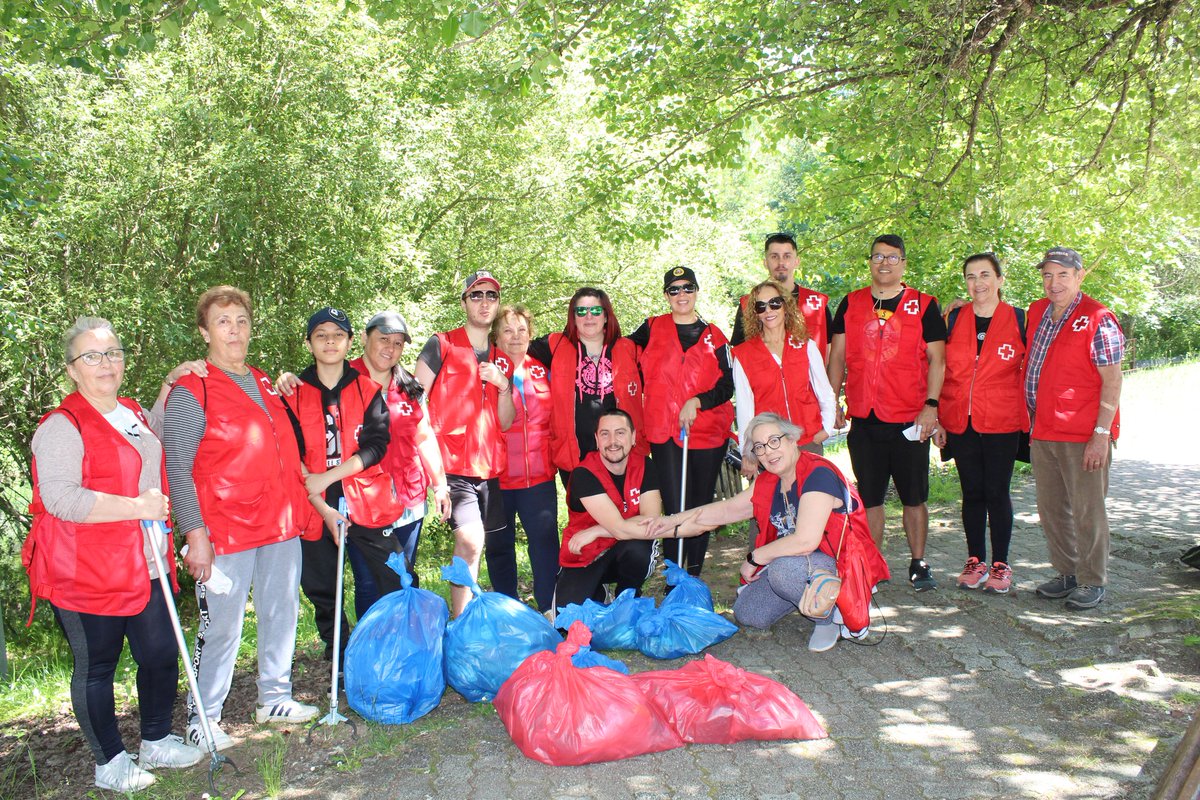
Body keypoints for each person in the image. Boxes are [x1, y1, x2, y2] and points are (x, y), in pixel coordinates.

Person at [23, 317, 206, 792]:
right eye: (91, 356)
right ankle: (110, 762)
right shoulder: (62, 426)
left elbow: (157, 445)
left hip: (143, 562)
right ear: (72, 370)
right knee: (98, 666)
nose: (104, 364)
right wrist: (136, 507)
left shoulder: (129, 412)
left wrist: (172, 382)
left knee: (161, 654)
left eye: (112, 353)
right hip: (84, 569)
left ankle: (156, 739)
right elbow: (60, 497)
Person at [163, 286, 318, 752]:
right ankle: (202, 716)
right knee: (222, 626)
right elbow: (178, 467)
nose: (234, 329)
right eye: (223, 321)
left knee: (281, 613)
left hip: (279, 521)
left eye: (241, 320)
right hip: (225, 530)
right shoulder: (194, 388)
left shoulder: (265, 380)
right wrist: (195, 534)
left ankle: (274, 698)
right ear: (204, 331)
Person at [645, 413, 889, 652]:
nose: (768, 452)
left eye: (774, 441)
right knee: (749, 613)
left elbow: (805, 541)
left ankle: (830, 616)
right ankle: (806, 598)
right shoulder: (769, 482)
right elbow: (724, 511)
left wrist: (755, 557)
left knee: (782, 570)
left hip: (840, 565)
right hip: (801, 567)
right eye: (760, 447)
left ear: (792, 440)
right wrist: (668, 522)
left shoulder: (818, 474)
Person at [826, 234, 947, 591]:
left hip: (910, 419)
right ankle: (871, 565)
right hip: (865, 418)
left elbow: (937, 360)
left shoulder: (924, 305)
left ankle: (918, 562)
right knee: (870, 497)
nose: (884, 263)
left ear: (903, 263)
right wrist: (832, 401)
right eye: (878, 256)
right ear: (870, 262)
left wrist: (931, 406)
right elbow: (836, 357)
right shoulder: (850, 303)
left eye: (892, 258)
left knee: (914, 496)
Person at [280, 307, 395, 660]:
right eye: (321, 335)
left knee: (393, 574)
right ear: (309, 343)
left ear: (349, 342)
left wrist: (328, 477)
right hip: (313, 504)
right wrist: (323, 503)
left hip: (365, 496)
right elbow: (289, 453)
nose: (330, 342)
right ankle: (342, 658)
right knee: (323, 588)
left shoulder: (367, 389)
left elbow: (376, 446)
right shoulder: (291, 394)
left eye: (338, 335)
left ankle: (397, 646)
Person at [1026, 247, 1124, 610]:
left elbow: (1112, 381)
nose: (1054, 282)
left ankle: (1092, 579)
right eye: (1048, 275)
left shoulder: (1099, 318)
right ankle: (1066, 572)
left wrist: (1101, 434)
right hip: (1043, 430)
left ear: (1079, 275)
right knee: (1051, 508)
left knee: (1087, 509)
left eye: (1063, 274)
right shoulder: (1038, 311)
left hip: (1084, 434)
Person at [415, 270, 516, 616]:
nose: (484, 302)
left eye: (491, 295)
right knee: (469, 540)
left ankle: (472, 619)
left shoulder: (502, 356)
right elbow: (414, 406)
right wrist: (434, 476)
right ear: (464, 302)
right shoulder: (441, 344)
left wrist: (504, 385)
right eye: (477, 295)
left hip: (489, 468)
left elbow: (505, 421)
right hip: (452, 465)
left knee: (483, 546)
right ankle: (459, 622)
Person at [628, 266, 735, 576]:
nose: (681, 294)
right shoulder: (650, 328)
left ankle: (694, 576)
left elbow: (728, 386)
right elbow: (622, 355)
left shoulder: (715, 335)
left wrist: (696, 401)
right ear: (666, 296)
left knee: (700, 506)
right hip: (664, 433)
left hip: (706, 433)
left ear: (696, 291)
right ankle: (674, 577)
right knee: (674, 506)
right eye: (674, 290)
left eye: (687, 288)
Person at [933, 253, 1028, 594]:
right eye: (971, 276)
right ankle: (975, 561)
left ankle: (1001, 564)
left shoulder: (1020, 320)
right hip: (961, 420)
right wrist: (939, 419)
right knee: (972, 492)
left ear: (1000, 280)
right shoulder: (954, 318)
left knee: (996, 492)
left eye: (985, 275)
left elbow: (1032, 372)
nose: (978, 283)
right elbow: (939, 370)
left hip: (1003, 421)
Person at [348, 310, 451, 603]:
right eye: (383, 339)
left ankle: (403, 642)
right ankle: (373, 646)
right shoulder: (344, 380)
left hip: (408, 497)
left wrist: (440, 485)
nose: (390, 348)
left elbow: (424, 435)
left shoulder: (410, 386)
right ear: (366, 339)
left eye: (397, 343)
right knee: (369, 580)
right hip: (363, 502)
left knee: (403, 576)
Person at [525, 287, 645, 486]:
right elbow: (514, 347)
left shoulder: (629, 349)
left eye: (596, 311)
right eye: (581, 311)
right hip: (573, 457)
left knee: (625, 514)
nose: (588, 316)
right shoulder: (555, 345)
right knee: (583, 516)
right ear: (573, 317)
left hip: (622, 455)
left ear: (606, 316)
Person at [554, 409, 663, 609]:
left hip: (623, 549)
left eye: (620, 433)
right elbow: (621, 528)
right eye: (605, 434)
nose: (612, 441)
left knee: (639, 547)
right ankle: (598, 591)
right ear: (596, 439)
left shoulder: (645, 465)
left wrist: (596, 530)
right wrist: (616, 528)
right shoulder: (583, 474)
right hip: (585, 554)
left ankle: (627, 597)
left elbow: (652, 520)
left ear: (633, 437)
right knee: (568, 624)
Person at [489, 305, 559, 613]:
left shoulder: (543, 369)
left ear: (530, 334)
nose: (515, 337)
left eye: (521, 330)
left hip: (539, 477)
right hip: (497, 478)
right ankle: (508, 613)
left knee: (545, 546)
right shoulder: (487, 370)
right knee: (499, 549)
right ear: (496, 337)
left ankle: (550, 608)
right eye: (507, 330)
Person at [732, 279, 837, 467]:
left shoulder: (805, 345)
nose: (768, 311)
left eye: (774, 303)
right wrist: (747, 452)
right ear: (754, 313)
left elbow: (825, 393)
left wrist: (826, 430)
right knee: (775, 497)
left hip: (808, 443)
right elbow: (745, 409)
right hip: (768, 449)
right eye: (760, 306)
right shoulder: (743, 355)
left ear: (785, 305)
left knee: (812, 496)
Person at [730, 232, 833, 360]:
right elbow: (738, 353)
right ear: (765, 262)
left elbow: (830, 353)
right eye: (774, 256)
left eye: (787, 256)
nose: (781, 262)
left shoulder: (817, 304)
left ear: (796, 261)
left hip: (812, 378)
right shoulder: (749, 304)